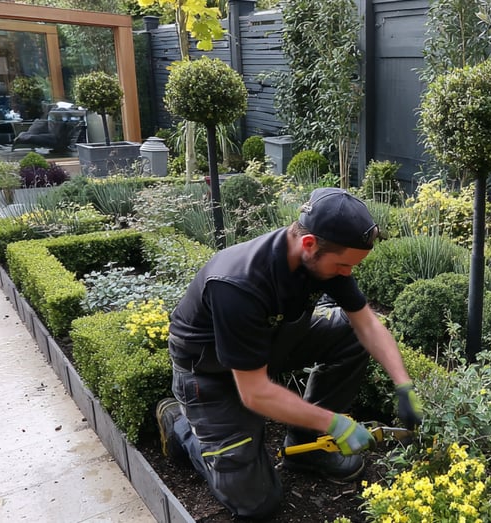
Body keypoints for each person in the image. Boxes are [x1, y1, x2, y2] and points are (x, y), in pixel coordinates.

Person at [156, 187, 423, 519]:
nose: (347, 274)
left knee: (349, 333)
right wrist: (335, 423)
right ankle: (181, 427)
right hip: (210, 372)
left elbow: (367, 325)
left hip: (268, 344)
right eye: (343, 265)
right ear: (308, 244)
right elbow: (255, 393)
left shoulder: (325, 257)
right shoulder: (239, 283)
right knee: (258, 503)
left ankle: (305, 447)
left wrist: (403, 384)